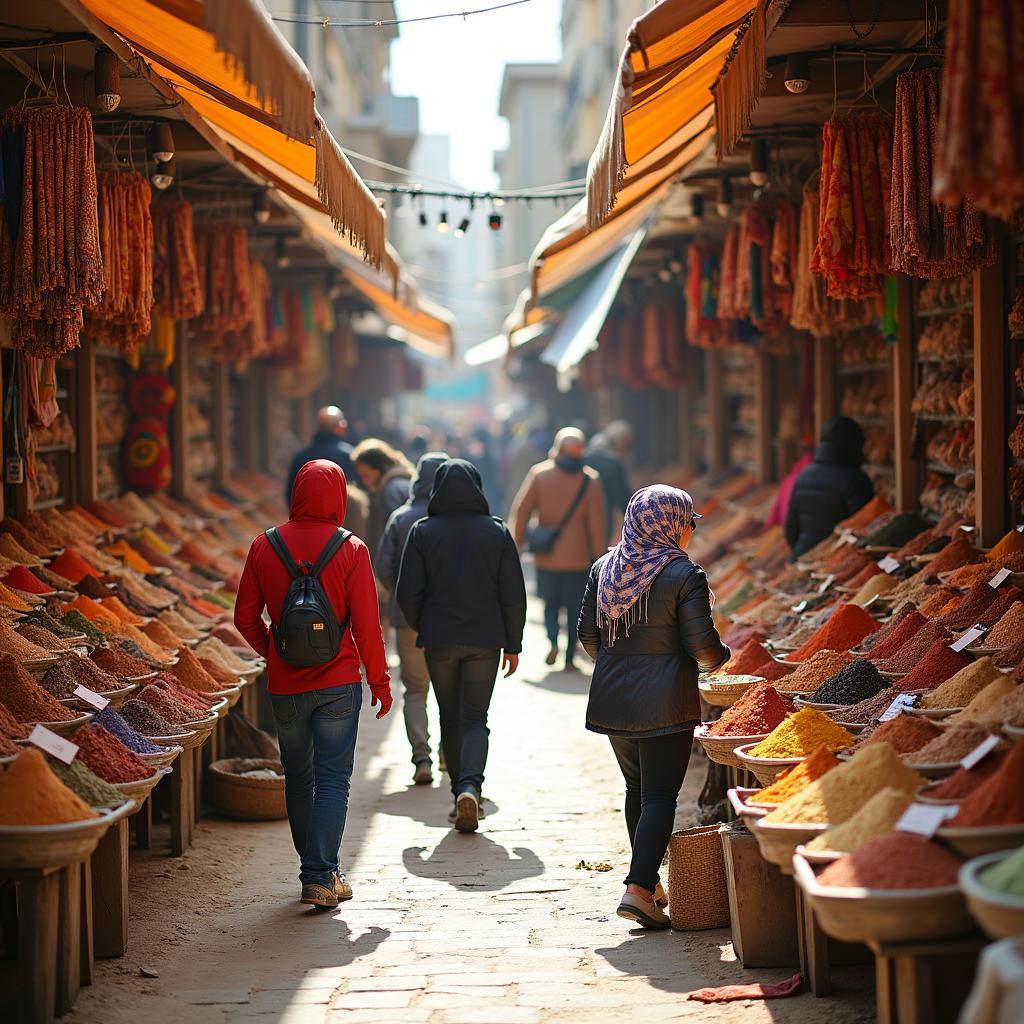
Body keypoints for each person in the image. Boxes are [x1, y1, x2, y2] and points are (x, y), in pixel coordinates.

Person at [234, 460, 392, 909]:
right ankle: (320, 874)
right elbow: (367, 625)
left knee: (299, 778)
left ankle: (320, 870)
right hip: (339, 683)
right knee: (333, 779)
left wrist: (275, 653)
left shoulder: (263, 546)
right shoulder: (352, 549)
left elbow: (244, 618)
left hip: (286, 689)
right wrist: (379, 682)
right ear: (339, 496)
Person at [578, 485, 730, 929]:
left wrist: (618, 663)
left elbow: (589, 639)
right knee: (661, 795)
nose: (691, 532)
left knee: (637, 791)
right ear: (671, 525)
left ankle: (648, 884)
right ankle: (640, 887)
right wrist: (721, 660)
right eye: (689, 523)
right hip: (666, 703)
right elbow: (702, 645)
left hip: (613, 700)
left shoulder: (604, 568)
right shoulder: (684, 575)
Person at [397, 459, 527, 834]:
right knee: (475, 718)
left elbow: (408, 593)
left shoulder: (422, 532)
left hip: (439, 639)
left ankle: (458, 793)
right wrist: (513, 643)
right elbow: (513, 594)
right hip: (485, 641)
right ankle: (471, 787)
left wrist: (426, 625)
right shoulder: (496, 532)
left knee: (449, 717)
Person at [375, 451, 450, 785]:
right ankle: (452, 753)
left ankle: (422, 758)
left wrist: (402, 595)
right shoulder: (457, 520)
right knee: (451, 691)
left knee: (415, 690)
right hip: (450, 621)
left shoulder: (401, 517)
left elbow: (383, 565)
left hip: (408, 619)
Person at [510, 427, 606, 671]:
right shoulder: (590, 479)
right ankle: (568, 657)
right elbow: (597, 522)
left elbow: (521, 511)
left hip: (547, 555)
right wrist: (598, 556)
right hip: (578, 557)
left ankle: (552, 640)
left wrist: (516, 544)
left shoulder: (540, 474)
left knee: (550, 603)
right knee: (575, 607)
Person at [784, 416, 875, 559]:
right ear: (854, 445)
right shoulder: (855, 480)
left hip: (802, 558)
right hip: (837, 562)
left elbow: (790, 531)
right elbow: (862, 530)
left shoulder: (803, 477)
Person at [352, 438, 414, 556]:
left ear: (377, 470)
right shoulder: (401, 482)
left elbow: (391, 535)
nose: (364, 482)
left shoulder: (390, 490)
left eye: (365, 475)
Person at [285, 406, 355, 503]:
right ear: (341, 427)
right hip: (343, 516)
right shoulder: (350, 455)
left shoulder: (301, 457)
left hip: (307, 516)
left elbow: (291, 493)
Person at [585, 421, 634, 531]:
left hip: (583, 511)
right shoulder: (614, 462)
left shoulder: (584, 458)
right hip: (605, 511)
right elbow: (622, 494)